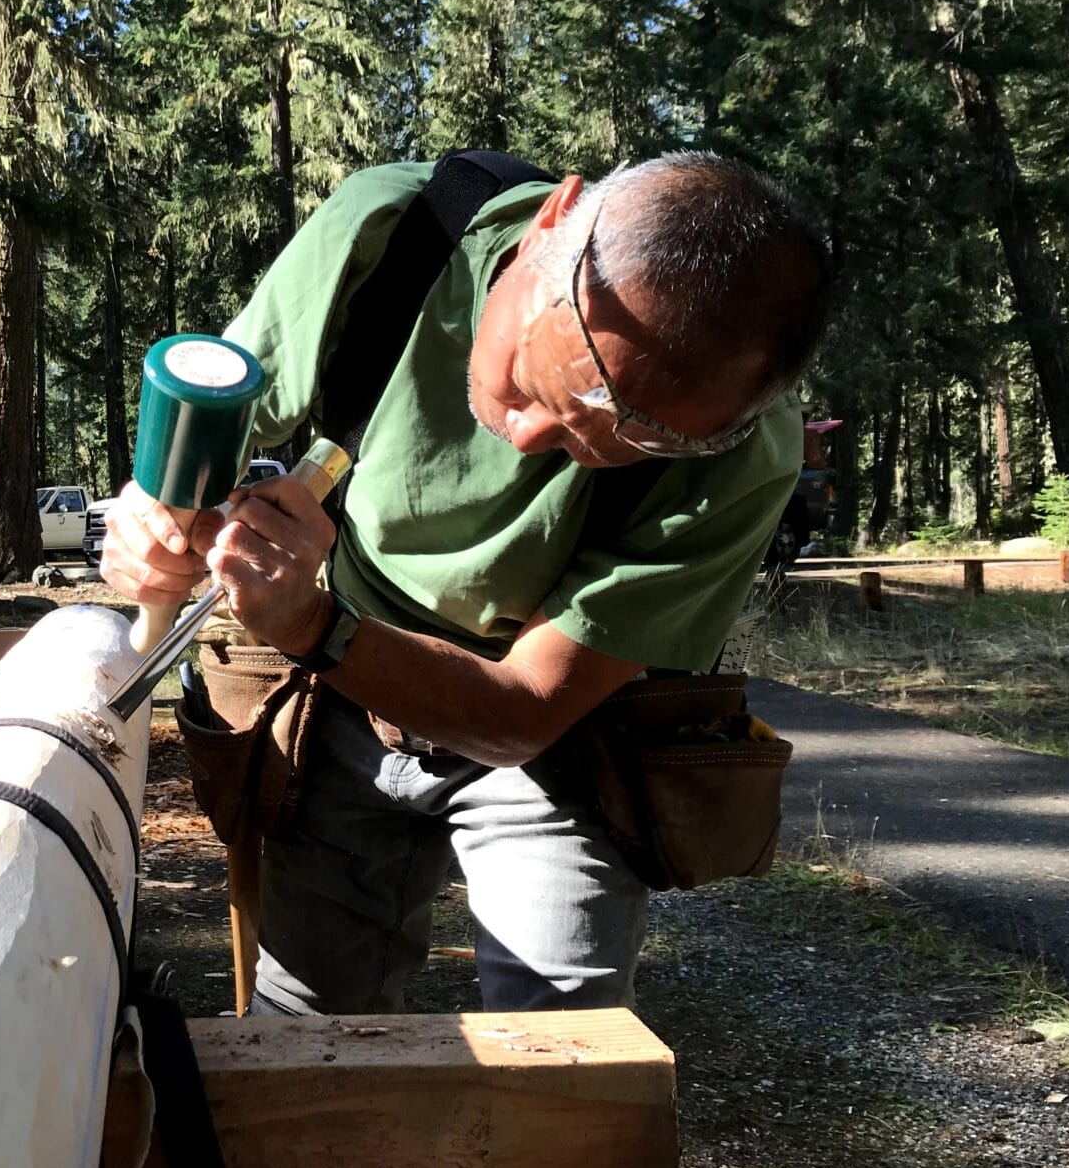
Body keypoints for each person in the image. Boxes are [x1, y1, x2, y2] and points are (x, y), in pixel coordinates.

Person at [102, 153, 830, 1015]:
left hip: (550, 741)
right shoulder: (398, 232)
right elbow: (200, 427)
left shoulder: (746, 451)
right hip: (332, 706)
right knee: (302, 1037)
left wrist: (309, 622)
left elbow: (523, 708)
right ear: (554, 221)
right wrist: (153, 523)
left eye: (620, 443)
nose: (528, 438)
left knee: (563, 1047)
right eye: (538, 378)